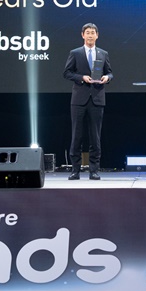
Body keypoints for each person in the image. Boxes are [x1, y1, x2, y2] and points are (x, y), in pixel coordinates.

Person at [63, 23, 113, 180]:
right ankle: (75, 170)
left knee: (95, 137)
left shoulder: (103, 53)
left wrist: (107, 78)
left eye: (93, 32)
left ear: (97, 35)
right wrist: (81, 77)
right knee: (76, 135)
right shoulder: (75, 53)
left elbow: (110, 73)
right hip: (79, 99)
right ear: (82, 35)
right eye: (88, 32)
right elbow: (67, 72)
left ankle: (94, 170)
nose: (90, 35)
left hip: (97, 99)